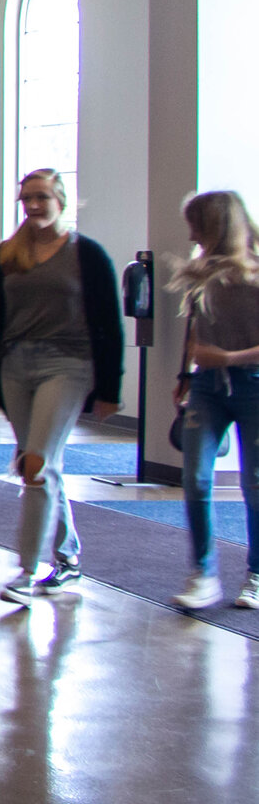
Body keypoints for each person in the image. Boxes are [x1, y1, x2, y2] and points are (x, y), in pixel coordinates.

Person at [0, 168, 124, 603]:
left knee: (36, 463)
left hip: (68, 366)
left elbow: (109, 323)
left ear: (61, 201)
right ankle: (68, 558)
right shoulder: (7, 254)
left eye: (42, 198)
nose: (33, 206)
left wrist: (110, 387)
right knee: (39, 464)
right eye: (26, 198)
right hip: (15, 368)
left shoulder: (87, 255)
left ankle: (28, 571)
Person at [168, 190, 259, 611]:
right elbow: (196, 330)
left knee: (254, 485)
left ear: (218, 227)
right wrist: (185, 375)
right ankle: (202, 572)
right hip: (207, 387)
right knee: (196, 477)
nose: (192, 234)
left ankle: (255, 576)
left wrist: (227, 357)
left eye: (198, 225)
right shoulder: (201, 273)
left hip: (253, 384)